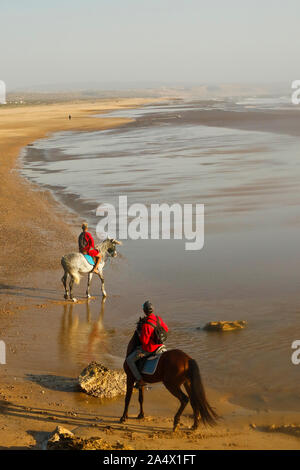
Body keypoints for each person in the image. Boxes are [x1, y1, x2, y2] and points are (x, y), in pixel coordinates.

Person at [126, 301, 168, 389]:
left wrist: (140, 335)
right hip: (160, 345)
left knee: (129, 360)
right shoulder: (158, 319)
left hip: (150, 348)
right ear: (153, 310)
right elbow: (166, 329)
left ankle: (140, 380)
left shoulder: (146, 325)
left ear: (144, 311)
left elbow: (145, 342)